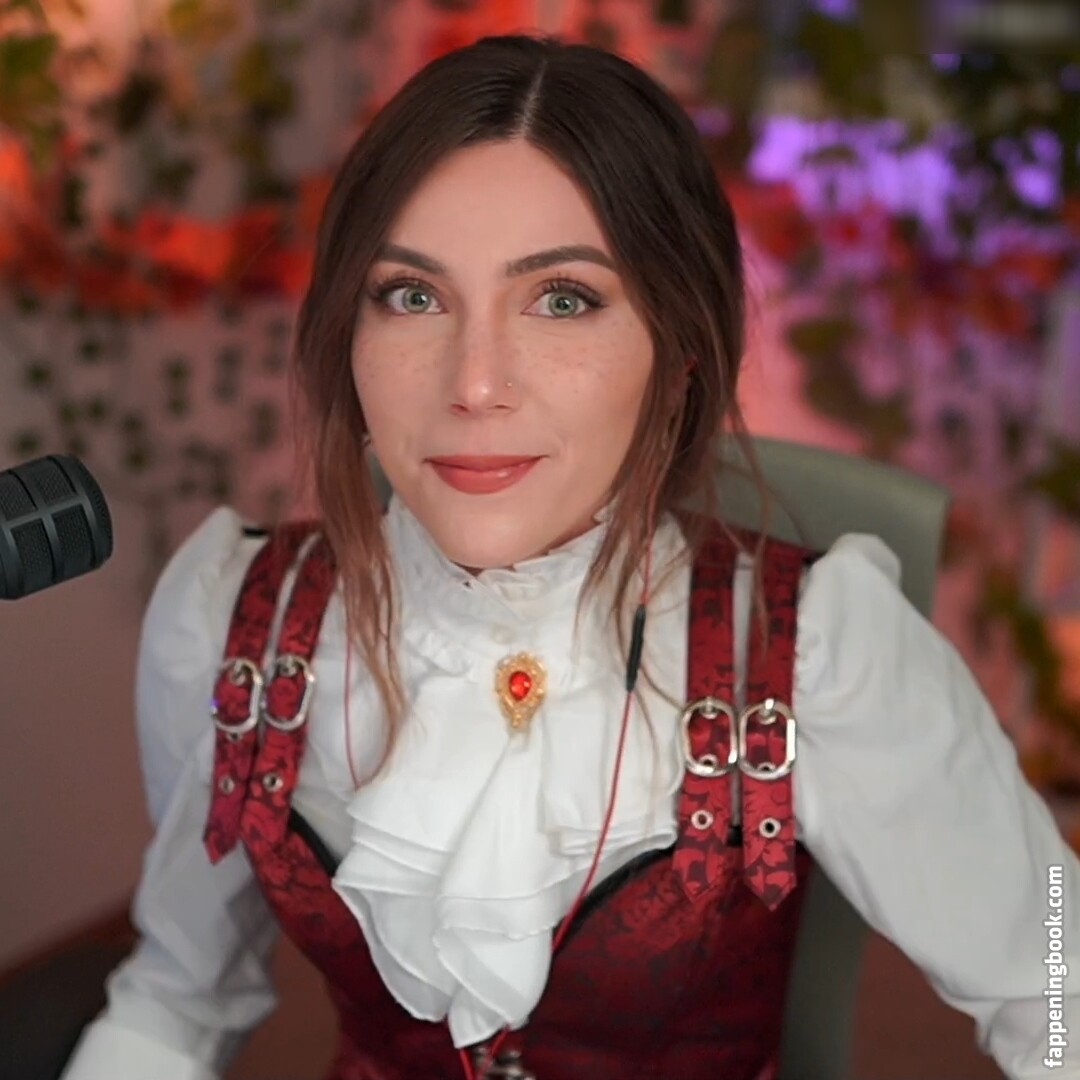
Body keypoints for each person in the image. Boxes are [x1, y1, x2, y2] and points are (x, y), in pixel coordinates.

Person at [63, 33, 1078, 1080]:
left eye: (562, 299)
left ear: (679, 349)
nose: (475, 384)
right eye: (412, 295)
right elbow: (174, 1000)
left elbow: (1059, 986)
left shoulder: (816, 644)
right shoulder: (237, 620)